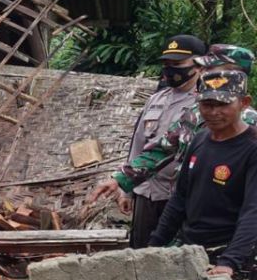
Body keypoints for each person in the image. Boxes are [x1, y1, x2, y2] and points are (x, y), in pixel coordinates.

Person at [89, 44, 255, 209]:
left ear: (234, 73)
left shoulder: (251, 125)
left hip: (227, 217)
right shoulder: (195, 114)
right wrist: (119, 179)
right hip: (185, 211)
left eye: (208, 68)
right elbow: (162, 149)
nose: (201, 72)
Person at [88, 35, 207, 247]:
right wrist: (127, 190)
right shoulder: (156, 99)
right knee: (141, 252)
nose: (170, 70)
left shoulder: (206, 106)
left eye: (177, 65)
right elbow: (139, 145)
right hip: (146, 193)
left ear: (199, 65)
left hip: (180, 197)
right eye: (166, 64)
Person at [148, 67, 257, 279]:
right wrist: (154, 245)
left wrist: (229, 262)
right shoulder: (199, 139)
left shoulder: (252, 148)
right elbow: (180, 199)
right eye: (207, 104)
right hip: (192, 251)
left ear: (244, 103)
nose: (214, 112)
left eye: (223, 104)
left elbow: (253, 211)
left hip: (231, 257)